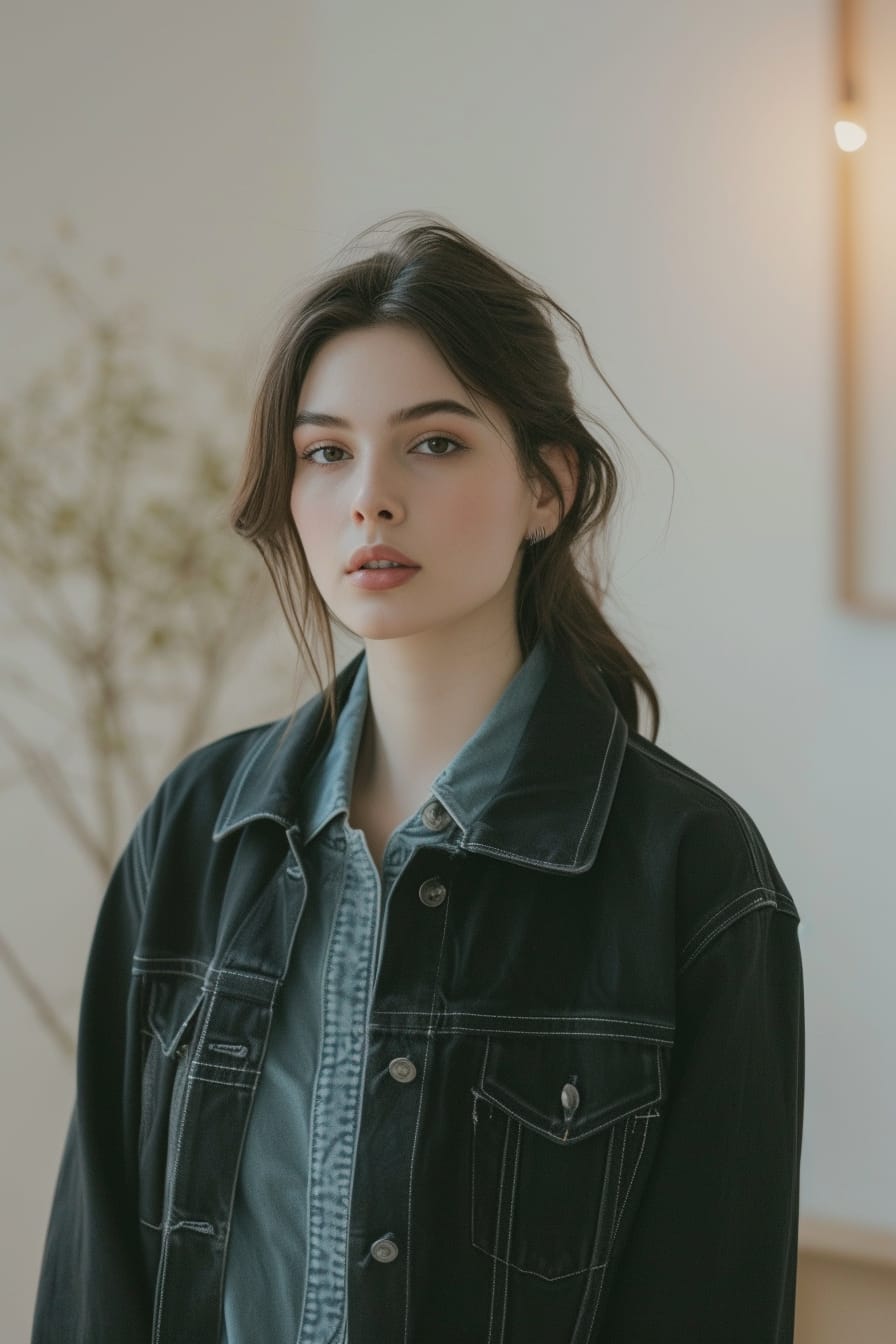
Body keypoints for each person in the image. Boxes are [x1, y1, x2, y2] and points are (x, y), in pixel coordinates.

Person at [31, 211, 805, 1344]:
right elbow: (95, 1274)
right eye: (325, 451)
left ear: (549, 486)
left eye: (433, 443)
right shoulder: (199, 829)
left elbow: (714, 1304)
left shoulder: (690, 873)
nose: (369, 498)